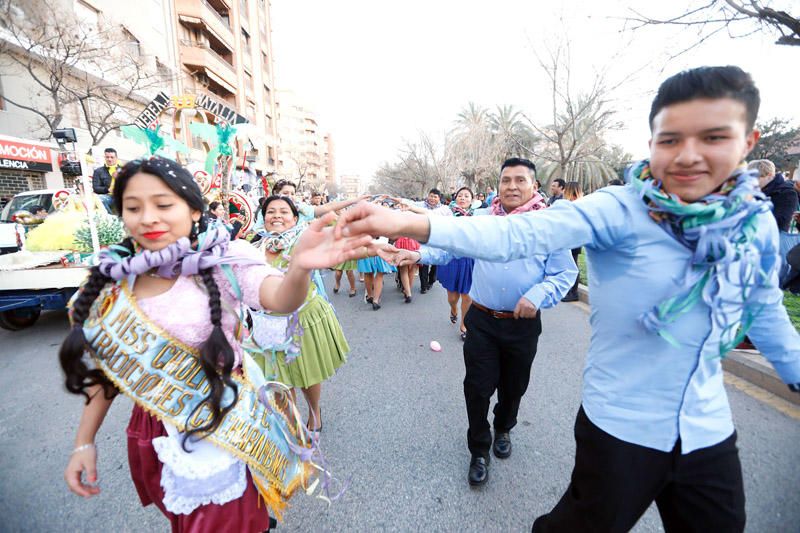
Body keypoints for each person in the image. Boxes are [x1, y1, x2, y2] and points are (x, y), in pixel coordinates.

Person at [337, 66, 800, 532]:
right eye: (671, 139)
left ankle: (504, 428)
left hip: (708, 431)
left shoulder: (753, 224)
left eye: (714, 138)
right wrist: (407, 227)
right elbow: (512, 235)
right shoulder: (619, 208)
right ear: (652, 141)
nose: (689, 156)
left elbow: (762, 306)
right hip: (620, 430)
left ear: (748, 141)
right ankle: (483, 444)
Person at [60, 157, 370, 531]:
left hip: (220, 429)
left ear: (193, 210)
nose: (148, 218)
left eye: (163, 204)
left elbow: (281, 298)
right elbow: (107, 373)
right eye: (133, 207)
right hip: (154, 433)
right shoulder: (112, 284)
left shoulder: (226, 261)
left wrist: (300, 268)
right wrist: (84, 442)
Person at [384, 157, 576, 486]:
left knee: (514, 387)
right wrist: (419, 255)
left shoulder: (548, 224)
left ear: (534, 186)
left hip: (522, 325)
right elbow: (452, 250)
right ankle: (479, 449)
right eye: (506, 180)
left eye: (520, 180)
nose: (512, 186)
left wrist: (537, 295)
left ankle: (504, 428)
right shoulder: (482, 218)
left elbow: (564, 273)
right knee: (476, 387)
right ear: (498, 185)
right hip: (482, 320)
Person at [251, 195, 355, 434]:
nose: (277, 216)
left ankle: (315, 411)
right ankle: (291, 422)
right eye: (271, 212)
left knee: (307, 374)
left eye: (284, 212)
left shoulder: (304, 239)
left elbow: (334, 232)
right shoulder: (253, 244)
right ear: (263, 217)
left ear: (295, 218)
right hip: (266, 324)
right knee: (279, 378)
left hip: (303, 318)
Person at [434, 187, 477, 339]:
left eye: (466, 196)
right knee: (453, 297)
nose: (463, 198)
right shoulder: (447, 214)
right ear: (455, 198)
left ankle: (464, 324)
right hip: (451, 259)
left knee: (467, 296)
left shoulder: (477, 216)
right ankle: (453, 309)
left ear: (472, 199)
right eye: (460, 195)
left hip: (470, 260)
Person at [412, 188, 450, 293]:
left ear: (439, 198)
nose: (432, 198)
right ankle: (423, 286)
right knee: (423, 260)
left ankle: (432, 280)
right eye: (431, 196)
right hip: (423, 237)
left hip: (438, 238)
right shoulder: (420, 206)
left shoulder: (444, 209)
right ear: (428, 196)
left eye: (435, 196)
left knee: (435, 262)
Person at [560, 182, 583, 302]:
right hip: (571, 238)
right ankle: (570, 291)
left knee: (573, 265)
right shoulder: (575, 204)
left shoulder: (575, 205)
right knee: (570, 265)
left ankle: (573, 293)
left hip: (574, 239)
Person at [91, 148, 119, 213]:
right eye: (107, 157)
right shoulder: (98, 171)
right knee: (99, 199)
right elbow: (96, 188)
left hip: (122, 196)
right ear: (105, 158)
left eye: (112, 157)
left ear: (116, 158)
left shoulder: (124, 170)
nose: (109, 159)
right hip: (107, 196)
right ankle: (111, 219)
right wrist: (108, 189)